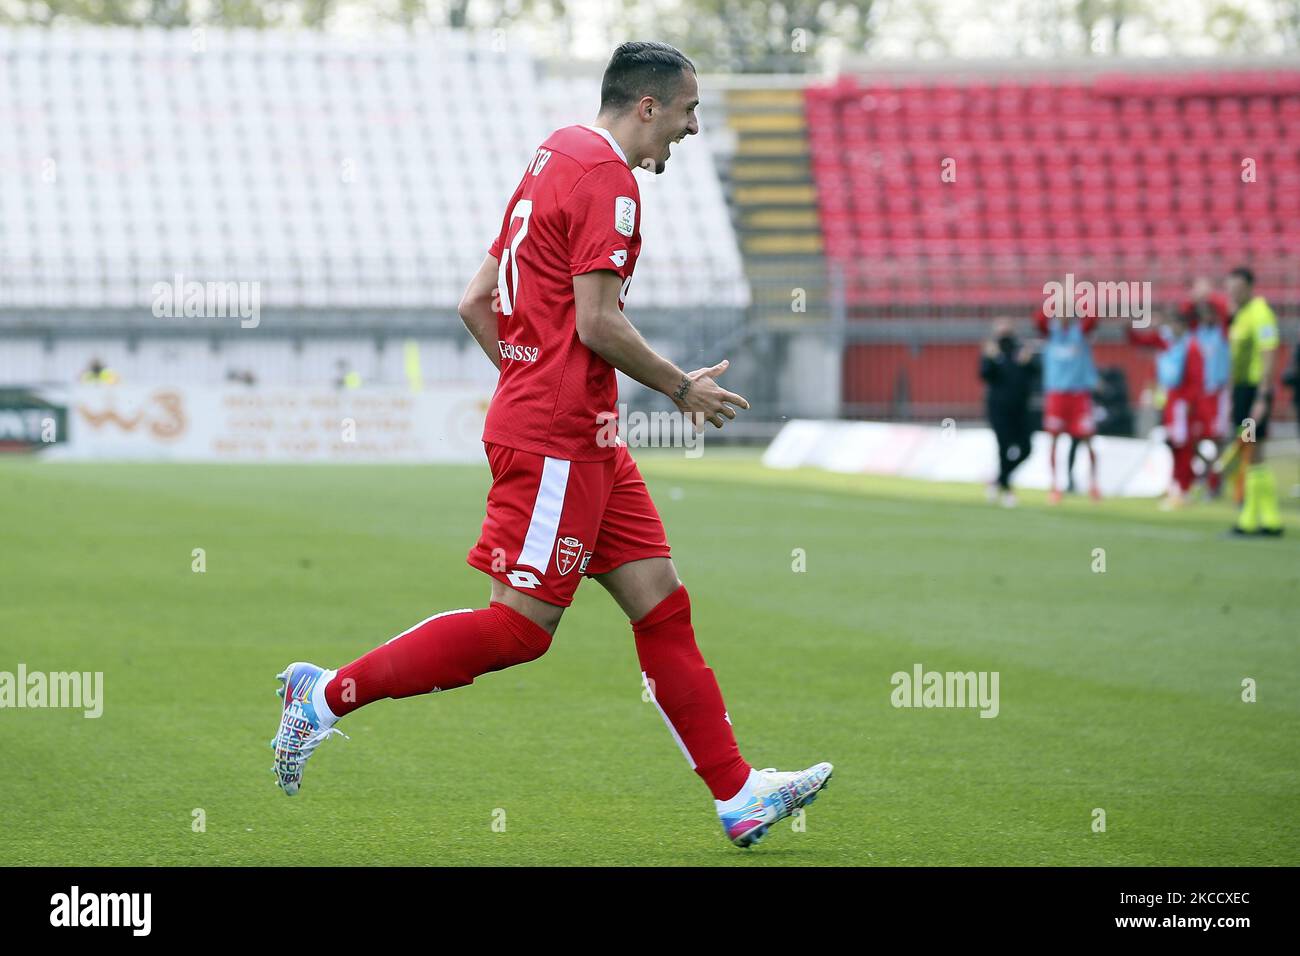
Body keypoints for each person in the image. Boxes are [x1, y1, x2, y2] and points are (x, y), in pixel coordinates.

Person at [268, 42, 832, 849]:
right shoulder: (612, 184)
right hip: (564, 441)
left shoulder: (553, 153)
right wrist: (679, 387)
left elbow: (475, 302)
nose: (694, 127)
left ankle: (738, 796)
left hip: (581, 434)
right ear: (648, 107)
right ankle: (322, 697)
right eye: (687, 111)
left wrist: (532, 380)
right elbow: (598, 324)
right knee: (518, 631)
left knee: (662, 606)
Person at [1222, 266, 1282, 536]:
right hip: (1242, 391)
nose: (1233, 293)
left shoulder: (1260, 313)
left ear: (1249, 286)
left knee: (1251, 449)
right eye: (1230, 288)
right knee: (1253, 450)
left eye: (1237, 288)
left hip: (1255, 390)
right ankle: (1270, 518)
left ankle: (1249, 517)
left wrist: (1263, 396)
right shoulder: (1240, 315)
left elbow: (1269, 352)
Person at [1129, 307, 1203, 508]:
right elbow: (1139, 341)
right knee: (1175, 445)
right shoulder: (1169, 343)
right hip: (1171, 400)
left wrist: (1189, 402)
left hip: (1182, 403)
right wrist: (1131, 323)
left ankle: (1184, 488)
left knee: (1183, 446)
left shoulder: (1191, 347)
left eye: (1172, 324)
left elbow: (1196, 379)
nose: (1167, 328)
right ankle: (1178, 484)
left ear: (1181, 326)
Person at [1034, 295, 1100, 503]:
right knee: (1053, 440)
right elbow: (1038, 320)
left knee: (1088, 440)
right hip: (1056, 395)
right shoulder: (1050, 334)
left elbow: (1093, 318)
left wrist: (1078, 299)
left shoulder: (1079, 333)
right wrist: (1055, 298)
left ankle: (1093, 485)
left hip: (1079, 395)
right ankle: (1054, 486)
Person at [1180, 279, 1231, 497]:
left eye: (1211, 312)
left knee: (1217, 439)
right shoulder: (1196, 332)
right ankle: (1207, 474)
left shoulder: (1223, 331)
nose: (1208, 316)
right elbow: (1184, 312)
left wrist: (1208, 295)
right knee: (1192, 440)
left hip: (1217, 393)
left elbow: (1225, 309)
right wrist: (1195, 298)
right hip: (1198, 394)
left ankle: (1215, 482)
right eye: (1204, 312)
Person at [979, 317, 1037, 507]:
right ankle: (1007, 489)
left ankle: (999, 480)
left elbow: (1034, 373)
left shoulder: (1021, 351)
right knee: (1004, 447)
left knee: (1026, 448)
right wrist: (993, 358)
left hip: (1020, 408)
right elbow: (985, 375)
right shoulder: (992, 352)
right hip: (998, 408)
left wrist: (1028, 361)